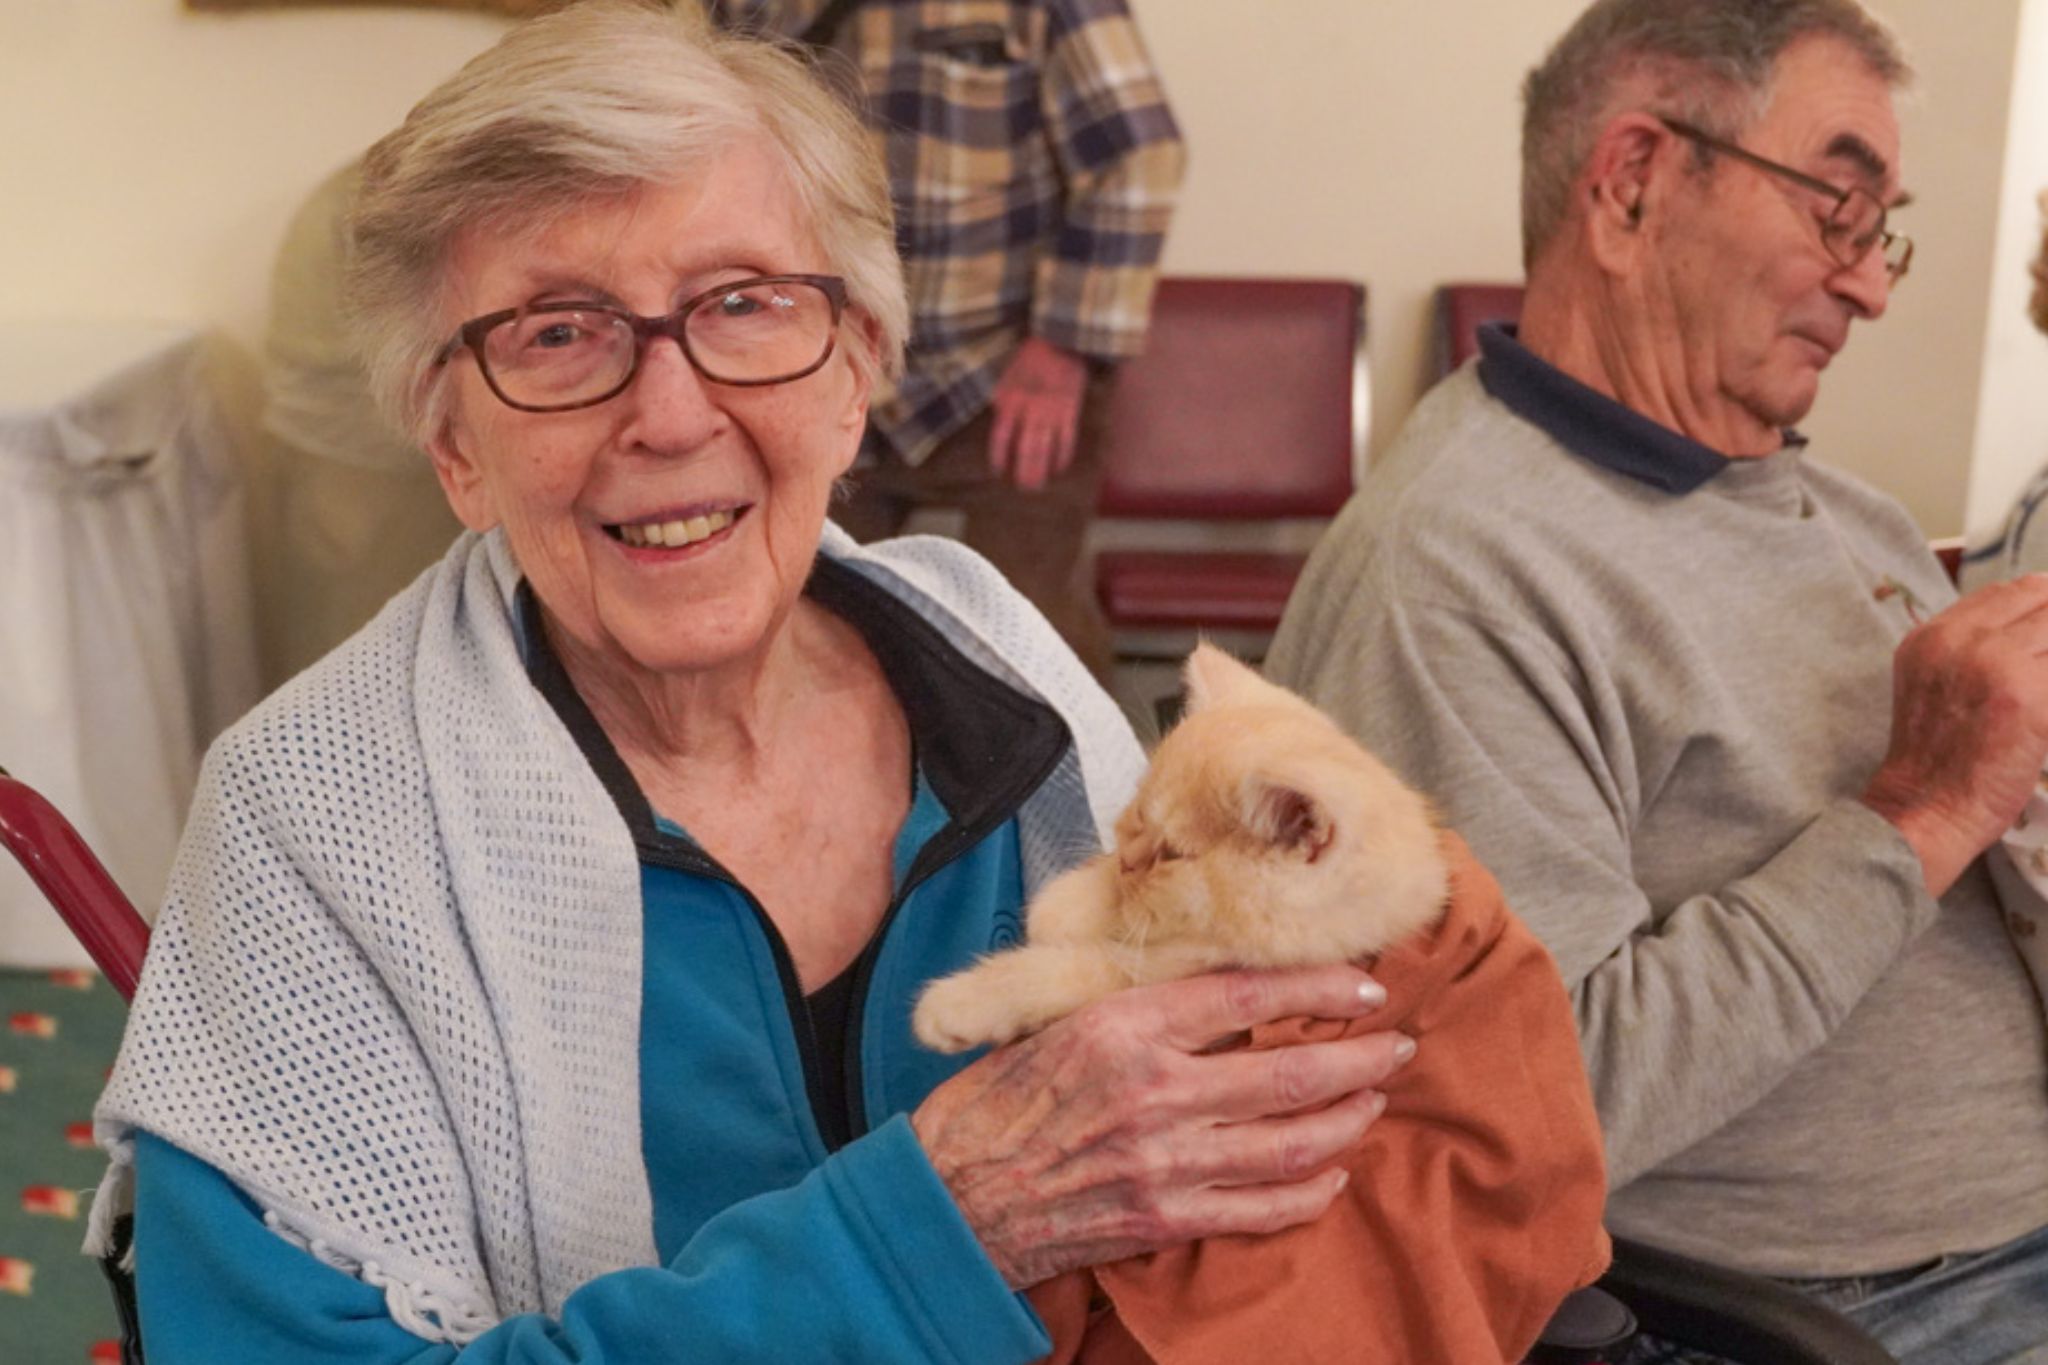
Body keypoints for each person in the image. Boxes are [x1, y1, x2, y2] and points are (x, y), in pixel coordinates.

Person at [86, 5, 1407, 1361]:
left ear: (856, 378)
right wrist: (935, 1229)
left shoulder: (998, 664)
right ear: (453, 444)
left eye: (745, 304)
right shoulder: (311, 817)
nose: (668, 413)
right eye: (556, 332)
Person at [1268, 0, 2048, 1360]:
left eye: (1881, 232)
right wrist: (1918, 813)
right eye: (1837, 210)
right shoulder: (1457, 571)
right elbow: (1537, 1098)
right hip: (1873, 1307)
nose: (1869, 285)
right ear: (1631, 183)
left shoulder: (1830, 502)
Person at [705, 0, 1188, 681]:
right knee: (805, 632)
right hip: (828, 368)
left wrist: (1062, 346)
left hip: (1005, 373)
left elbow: (1140, 156)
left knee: (1034, 648)